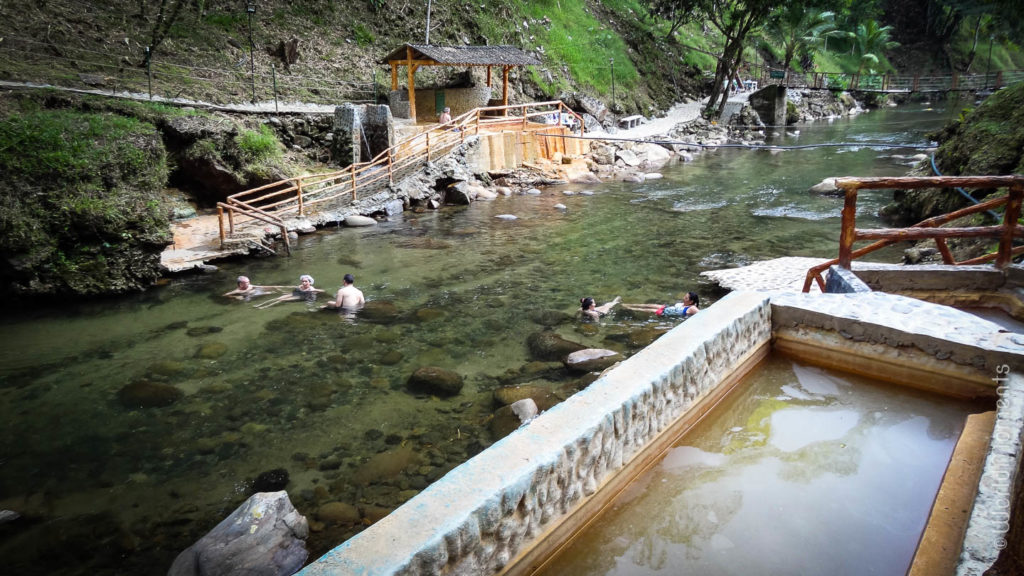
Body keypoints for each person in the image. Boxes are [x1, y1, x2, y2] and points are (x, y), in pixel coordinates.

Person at [253, 274, 324, 309]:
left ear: (310, 282)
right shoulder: (300, 286)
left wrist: (318, 291)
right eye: (303, 281)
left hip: (300, 296)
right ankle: (259, 305)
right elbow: (295, 287)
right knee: (277, 298)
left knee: (282, 300)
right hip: (294, 293)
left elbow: (319, 290)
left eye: (306, 281)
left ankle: (264, 307)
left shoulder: (311, 288)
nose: (304, 283)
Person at [622, 292, 700, 317]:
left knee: (646, 309)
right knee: (650, 305)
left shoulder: (692, 308)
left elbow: (700, 313)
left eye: (686, 298)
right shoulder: (684, 304)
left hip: (664, 312)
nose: (683, 298)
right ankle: (628, 304)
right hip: (666, 308)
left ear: (691, 301)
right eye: (685, 296)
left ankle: (628, 308)